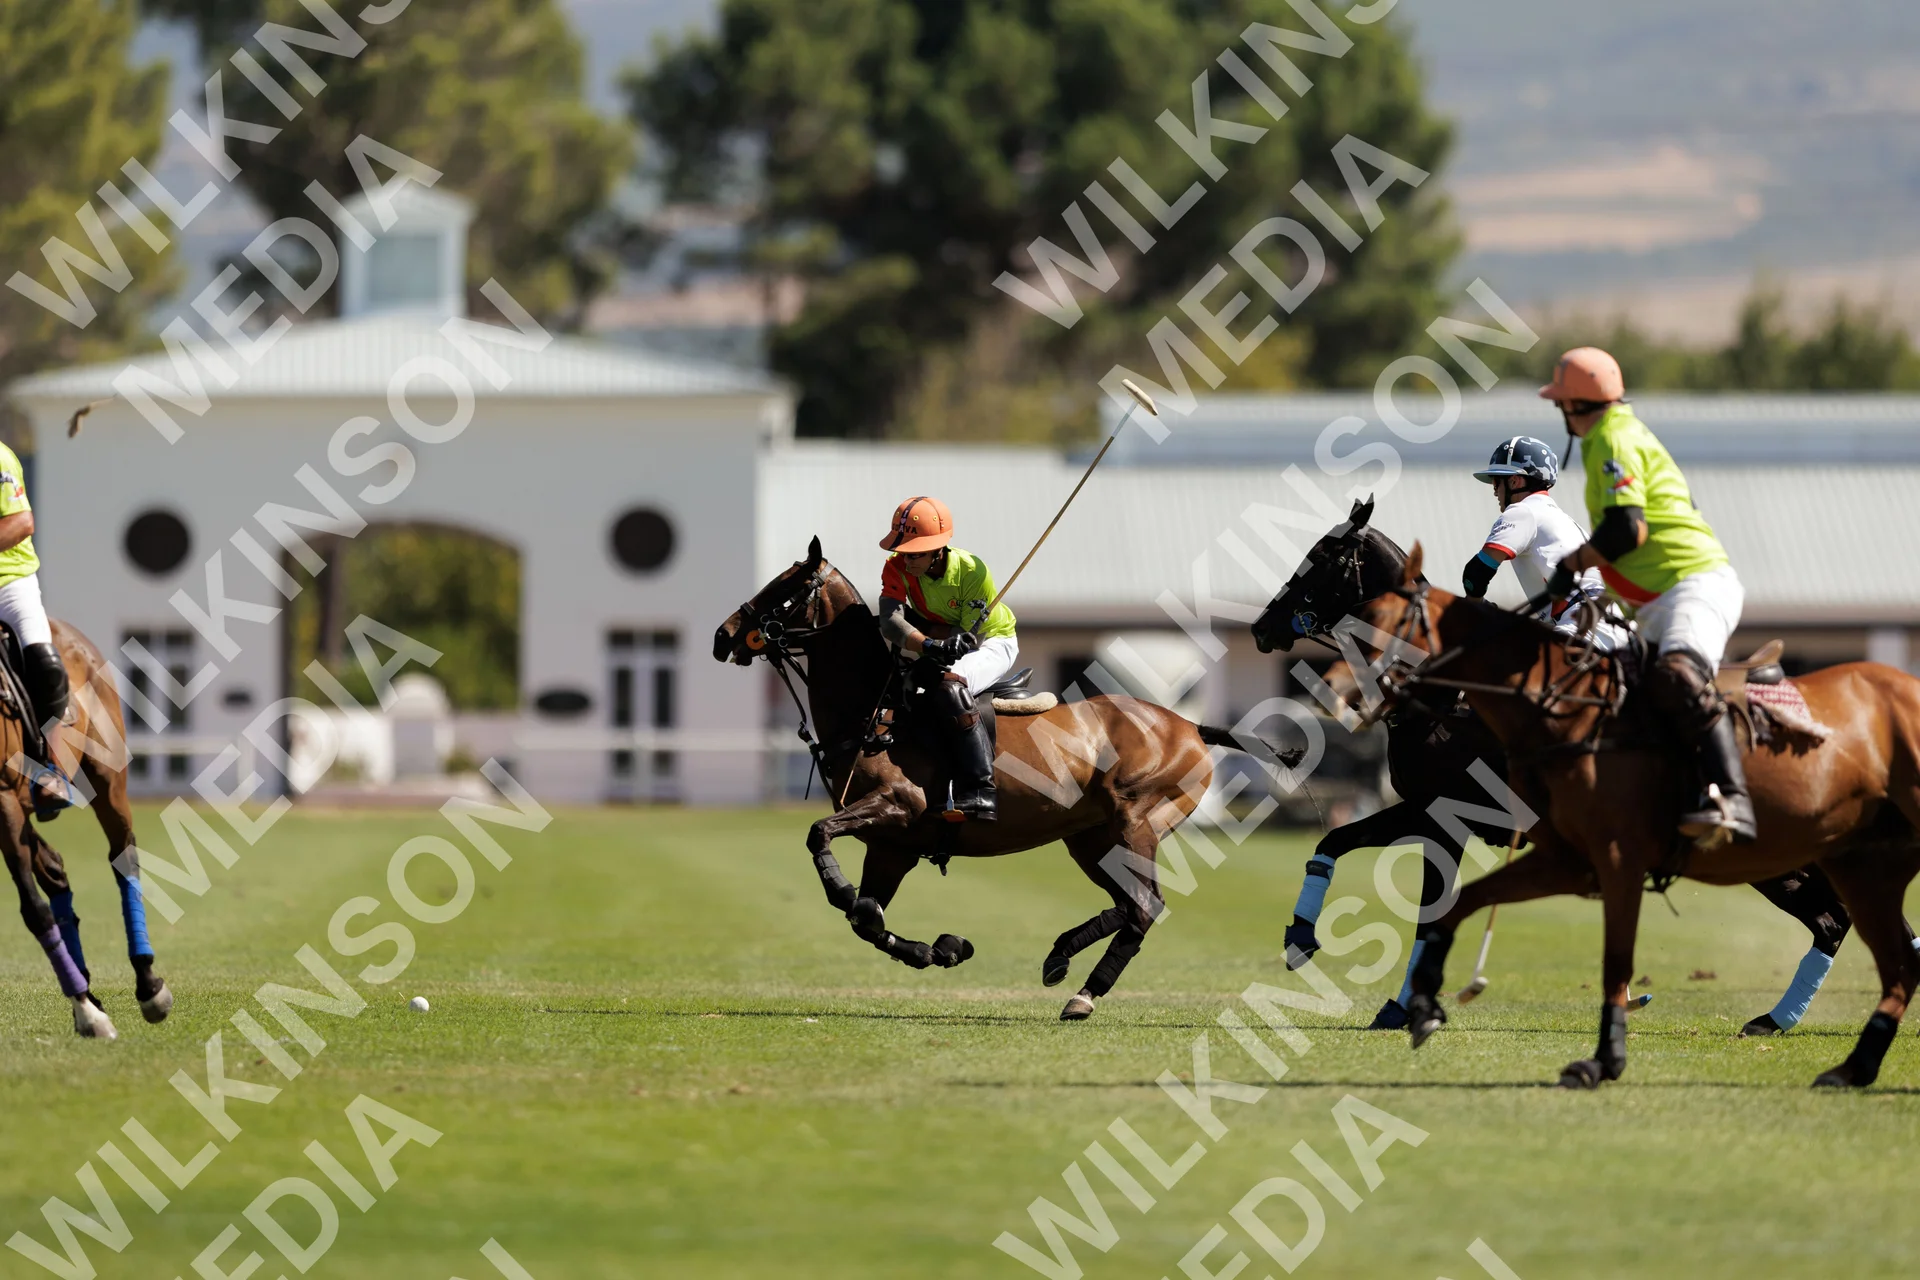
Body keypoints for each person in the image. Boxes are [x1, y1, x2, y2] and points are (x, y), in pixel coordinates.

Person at [1541, 347, 1754, 846]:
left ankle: (1733, 797)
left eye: (1560, 403)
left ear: (1573, 404)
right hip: (1657, 599)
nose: (1560, 411)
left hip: (1693, 584)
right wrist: (1598, 601)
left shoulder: (1612, 437)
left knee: (1678, 676)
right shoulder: (1610, 436)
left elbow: (1627, 530)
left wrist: (1570, 566)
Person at [877, 497, 1018, 821]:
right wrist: (929, 644)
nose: (906, 559)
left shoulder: (972, 571)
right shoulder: (896, 566)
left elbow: (966, 638)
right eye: (903, 551)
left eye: (916, 553)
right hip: (939, 641)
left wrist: (932, 643)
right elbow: (891, 621)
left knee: (950, 687)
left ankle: (982, 791)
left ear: (938, 550)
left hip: (991, 642)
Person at [1463, 435, 1612, 638]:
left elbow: (1476, 575)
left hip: (1579, 622)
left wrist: (1475, 606)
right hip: (1609, 620)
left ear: (1514, 481)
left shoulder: (1522, 511)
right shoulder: (1559, 517)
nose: (1495, 492)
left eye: (1496, 482)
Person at [0, 441, 74, 818]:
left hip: (9, 584)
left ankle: (49, 770)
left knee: (44, 661)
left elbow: (21, 522)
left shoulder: (0, 457)